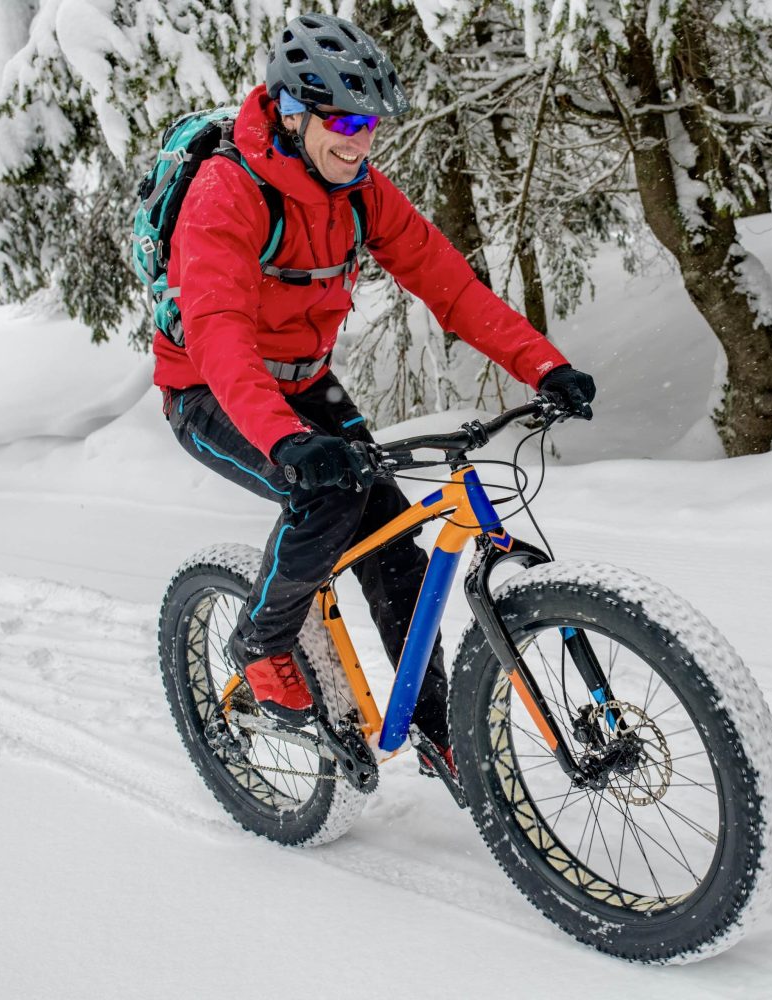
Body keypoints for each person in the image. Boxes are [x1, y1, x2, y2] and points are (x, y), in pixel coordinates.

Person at [153, 12, 595, 772]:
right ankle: (260, 644)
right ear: (293, 112)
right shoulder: (227, 195)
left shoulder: (360, 192)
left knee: (390, 535)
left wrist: (543, 365)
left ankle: (437, 732)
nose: (362, 141)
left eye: (373, 124)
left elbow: (450, 286)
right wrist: (289, 440)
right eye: (346, 121)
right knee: (324, 496)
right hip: (208, 389)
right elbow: (221, 334)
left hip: (305, 381)